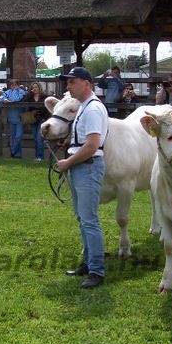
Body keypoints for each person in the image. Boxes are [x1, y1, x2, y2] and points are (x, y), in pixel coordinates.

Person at [58, 67, 109, 289]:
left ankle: (96, 269)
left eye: (72, 82)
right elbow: (85, 141)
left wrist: (68, 162)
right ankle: (89, 263)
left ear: (86, 84)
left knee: (89, 219)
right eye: (68, 83)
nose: (68, 86)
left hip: (86, 166)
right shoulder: (85, 108)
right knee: (82, 217)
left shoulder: (93, 109)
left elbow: (92, 145)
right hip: (81, 166)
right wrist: (70, 143)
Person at [22, 82, 49, 162]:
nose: (35, 89)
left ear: (39, 88)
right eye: (33, 87)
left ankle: (39, 157)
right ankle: (38, 156)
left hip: (42, 119)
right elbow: (24, 103)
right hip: (33, 120)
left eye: (36, 87)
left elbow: (47, 108)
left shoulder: (44, 97)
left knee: (39, 138)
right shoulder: (29, 97)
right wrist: (29, 94)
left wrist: (46, 118)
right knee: (36, 139)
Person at [0, 79, 26, 158]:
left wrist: (10, 100)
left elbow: (18, 99)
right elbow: (0, 97)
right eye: (12, 84)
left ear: (18, 84)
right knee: (13, 137)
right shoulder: (8, 92)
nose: (13, 86)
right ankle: (17, 155)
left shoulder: (21, 91)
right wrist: (4, 99)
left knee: (18, 136)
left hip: (20, 118)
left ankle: (12, 151)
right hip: (11, 118)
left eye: (15, 84)